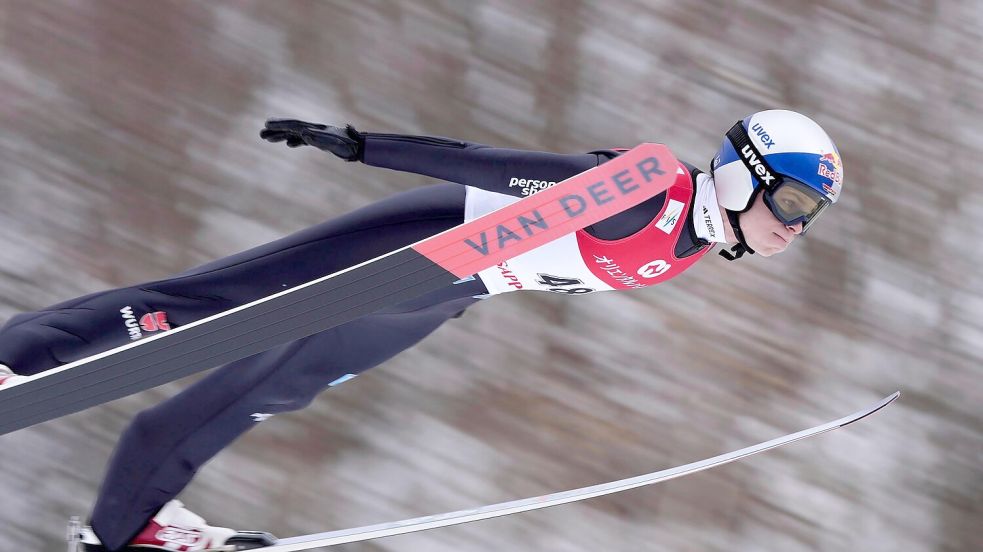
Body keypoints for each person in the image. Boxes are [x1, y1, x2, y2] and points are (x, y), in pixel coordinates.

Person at [0, 109, 843, 551]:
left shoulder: (694, 242)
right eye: (795, 204)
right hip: (426, 242)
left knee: (270, 389)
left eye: (813, 218)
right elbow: (502, 169)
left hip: (448, 291)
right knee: (211, 304)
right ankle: (14, 360)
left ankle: (126, 526)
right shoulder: (651, 187)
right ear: (744, 175)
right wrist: (364, 147)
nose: (795, 228)